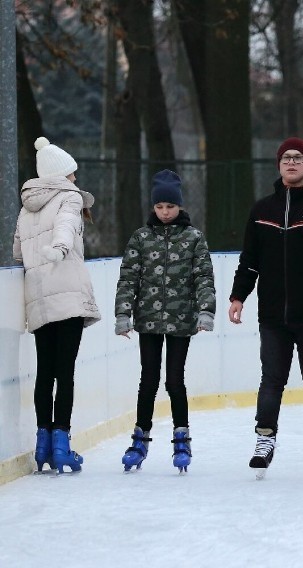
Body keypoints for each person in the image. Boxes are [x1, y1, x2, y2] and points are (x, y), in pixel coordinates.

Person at [229, 137, 303, 480]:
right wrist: (238, 296)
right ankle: (264, 439)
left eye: (298, 158)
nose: (291, 162)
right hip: (273, 315)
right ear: (279, 165)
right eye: (286, 158)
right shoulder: (262, 209)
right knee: (271, 381)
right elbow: (250, 260)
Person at [114, 170, 216, 474]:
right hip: (147, 320)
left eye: (170, 207)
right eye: (159, 207)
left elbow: (203, 276)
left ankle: (181, 435)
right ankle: (140, 437)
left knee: (174, 379)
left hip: (181, 319)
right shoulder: (141, 238)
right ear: (153, 207)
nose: (165, 212)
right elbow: (128, 278)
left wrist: (205, 311)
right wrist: (123, 313)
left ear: (180, 206)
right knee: (148, 379)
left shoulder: (193, 238)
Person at [13, 137, 102, 474]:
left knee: (44, 373)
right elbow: (65, 228)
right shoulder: (67, 198)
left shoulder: (26, 207)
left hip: (37, 296)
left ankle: (42, 444)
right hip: (65, 294)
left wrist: (41, 256)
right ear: (62, 175)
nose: (76, 180)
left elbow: (18, 253)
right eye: (72, 173)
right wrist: (61, 248)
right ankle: (61, 445)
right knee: (64, 374)